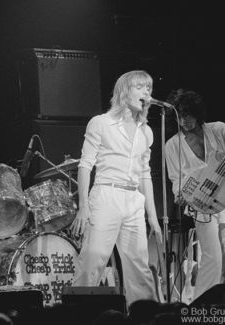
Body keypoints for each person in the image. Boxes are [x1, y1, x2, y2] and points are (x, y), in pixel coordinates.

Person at [70, 70, 162, 305]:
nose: (146, 92)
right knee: (93, 260)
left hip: (134, 200)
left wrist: (153, 217)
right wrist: (83, 207)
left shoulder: (146, 132)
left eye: (149, 88)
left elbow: (145, 174)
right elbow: (85, 164)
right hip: (106, 195)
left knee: (139, 267)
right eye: (140, 87)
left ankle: (143, 318)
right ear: (124, 92)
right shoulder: (101, 123)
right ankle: (77, 315)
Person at [164, 89, 225, 300]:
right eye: (179, 117)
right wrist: (179, 194)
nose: (184, 121)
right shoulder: (172, 145)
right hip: (200, 204)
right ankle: (202, 307)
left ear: (196, 112)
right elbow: (176, 179)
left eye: (187, 114)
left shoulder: (218, 130)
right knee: (212, 259)